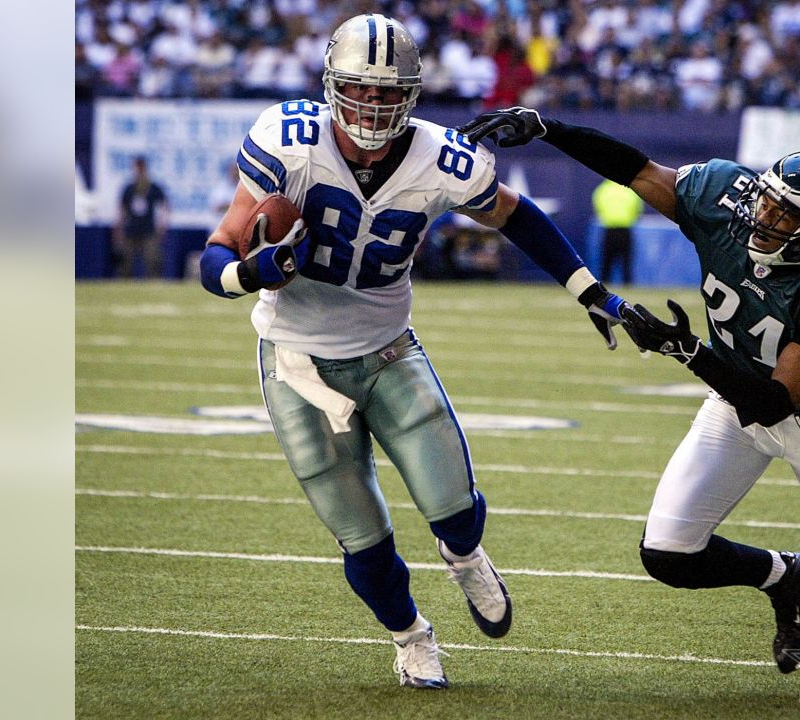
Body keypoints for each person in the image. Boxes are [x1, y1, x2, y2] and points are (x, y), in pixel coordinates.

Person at [197, 16, 628, 690]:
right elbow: (218, 252)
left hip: (389, 349)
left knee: (455, 506)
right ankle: (411, 637)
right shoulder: (289, 143)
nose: (373, 105)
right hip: (298, 366)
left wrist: (588, 289)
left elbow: (515, 215)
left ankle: (464, 556)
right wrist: (251, 273)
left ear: (413, 94)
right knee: (362, 536)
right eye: (360, 90)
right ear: (331, 87)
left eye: (388, 92)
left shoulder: (442, 157)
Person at [457, 107, 800, 695]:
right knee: (668, 553)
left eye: (785, 214)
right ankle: (784, 576)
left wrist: (688, 350)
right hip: (727, 404)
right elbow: (635, 170)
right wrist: (548, 128)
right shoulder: (724, 198)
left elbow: (772, 403)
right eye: (766, 200)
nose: (764, 217)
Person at [114, 155, 170, 278]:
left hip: (148, 230)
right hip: (131, 229)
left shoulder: (153, 188)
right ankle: (125, 285)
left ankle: (153, 284)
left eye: (141, 168)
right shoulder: (129, 188)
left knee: (152, 260)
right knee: (125, 262)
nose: (139, 171)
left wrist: (162, 225)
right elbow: (122, 209)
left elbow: (164, 206)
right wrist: (118, 227)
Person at [591, 178, 643, 285]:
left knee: (606, 264)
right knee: (626, 264)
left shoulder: (602, 190)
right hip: (625, 230)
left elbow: (598, 208)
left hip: (609, 230)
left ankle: (603, 290)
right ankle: (628, 287)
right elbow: (637, 210)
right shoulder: (630, 190)